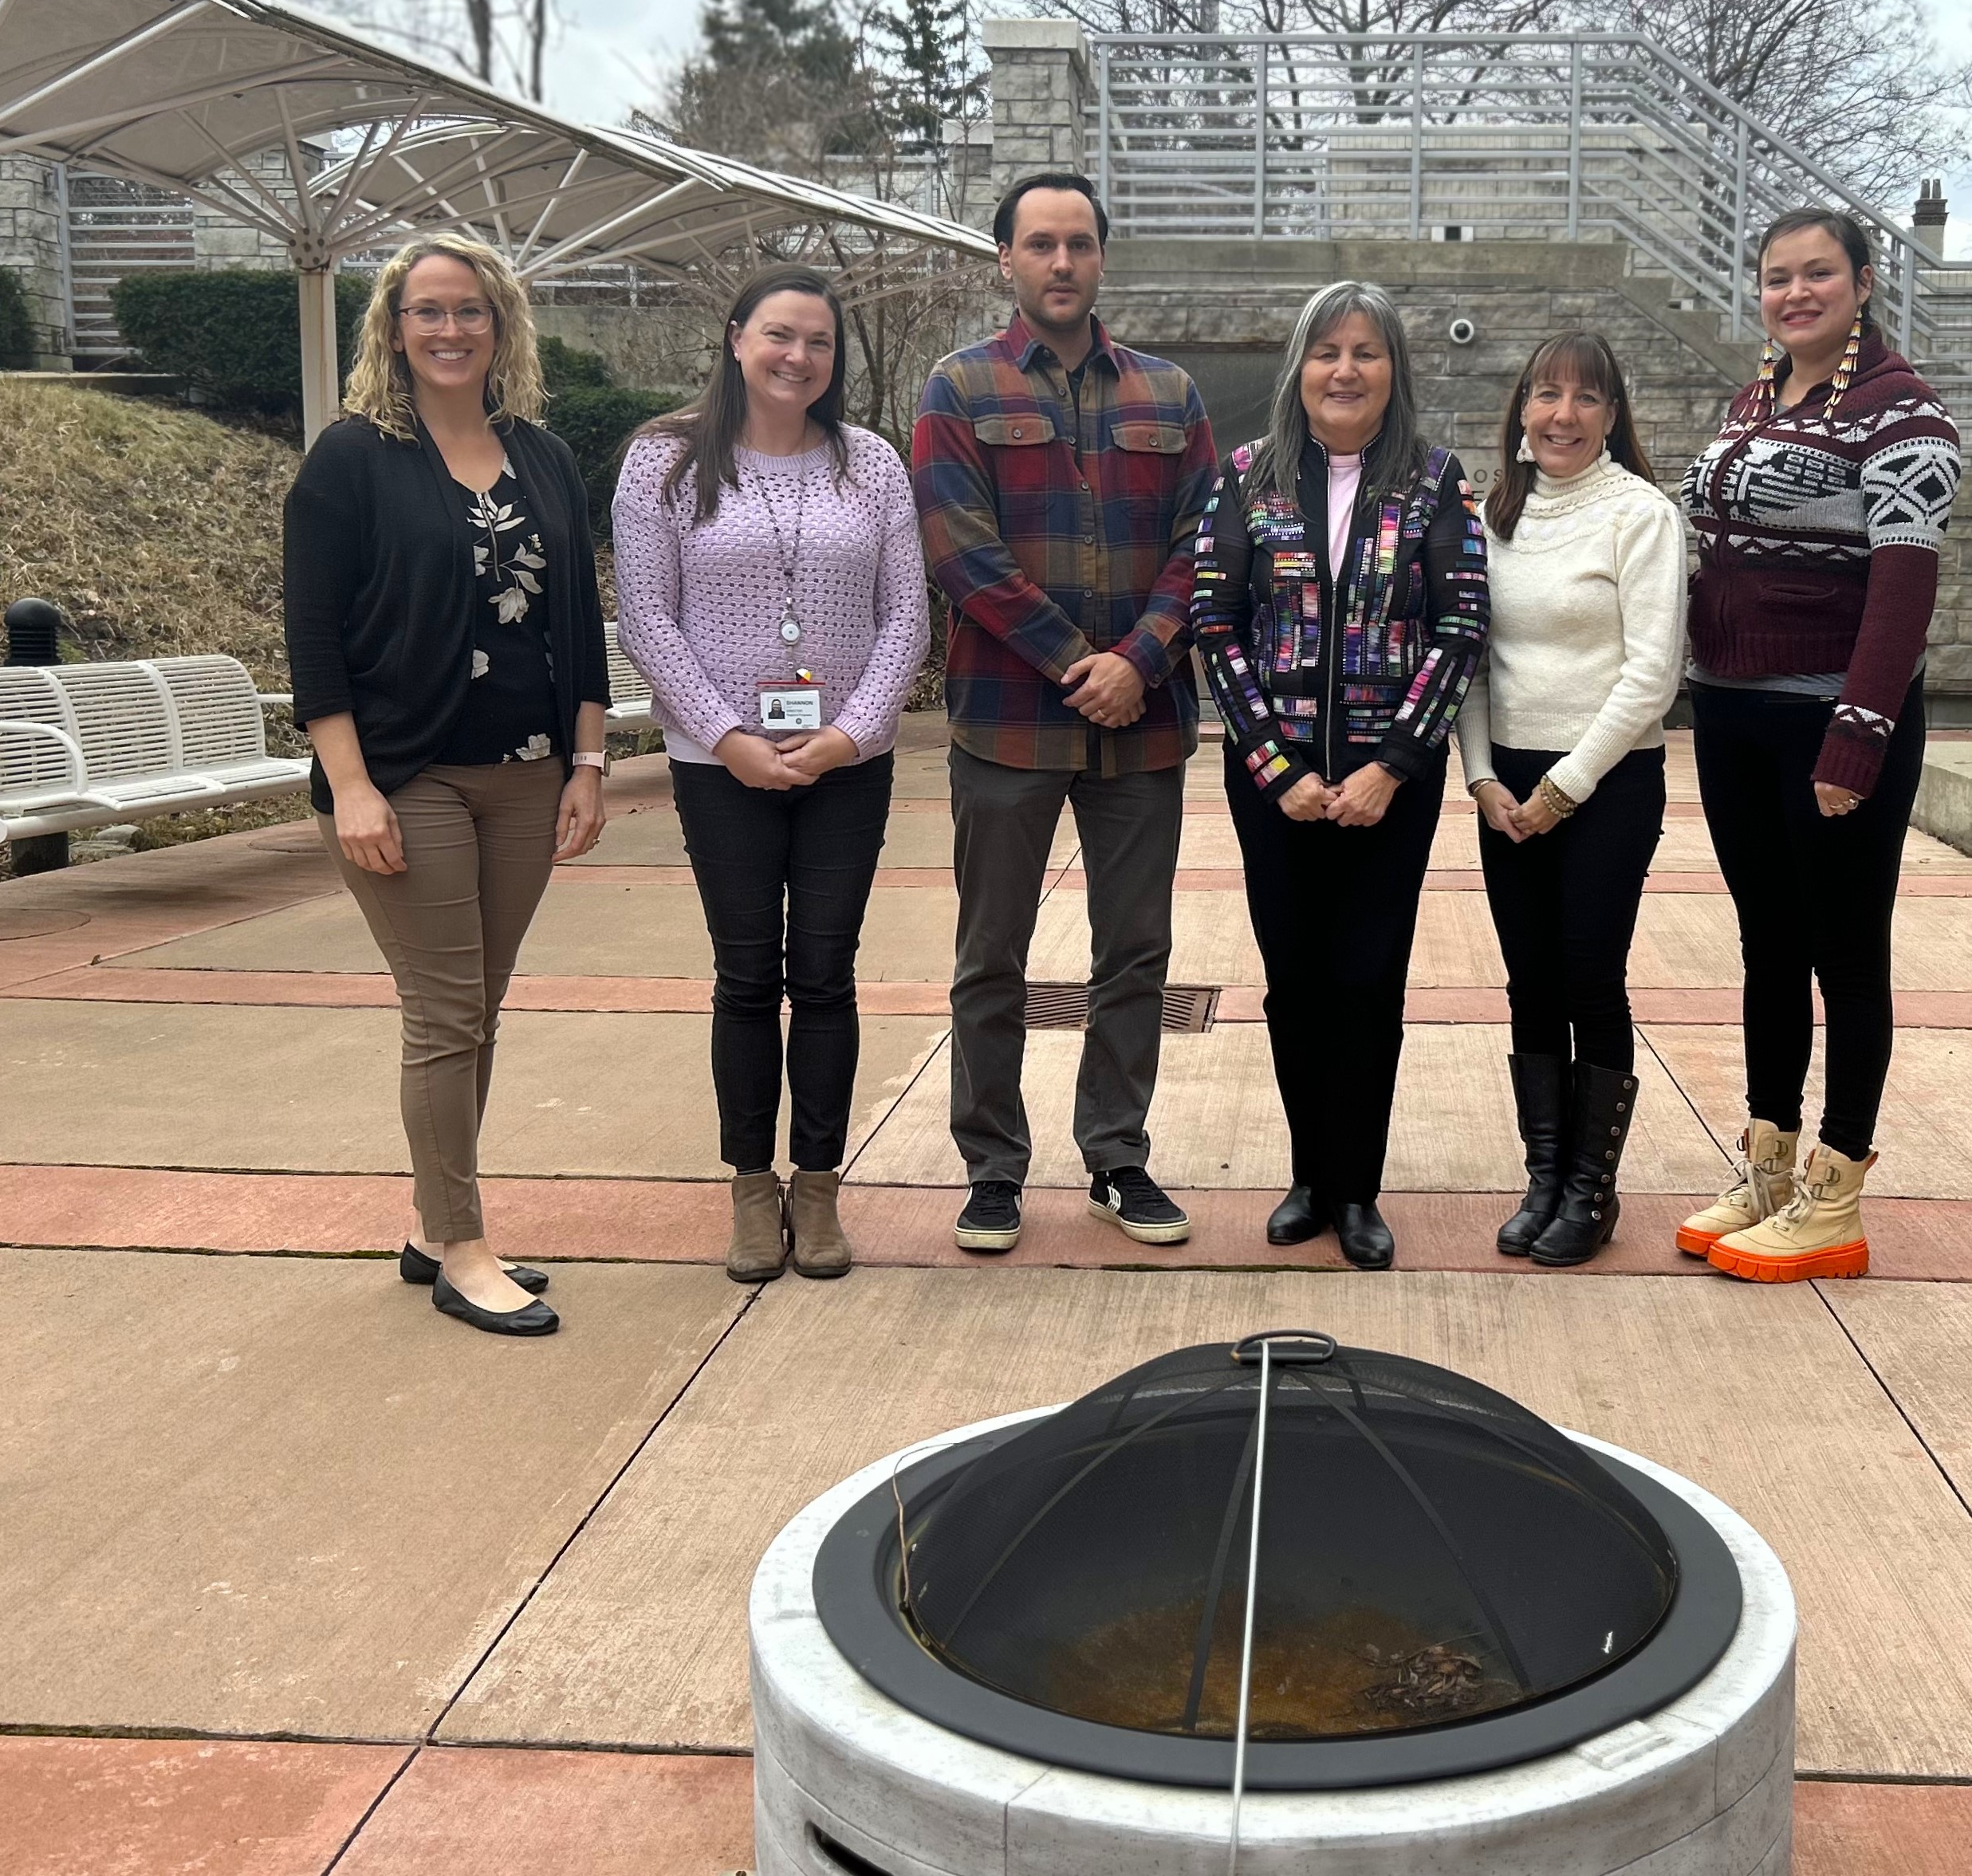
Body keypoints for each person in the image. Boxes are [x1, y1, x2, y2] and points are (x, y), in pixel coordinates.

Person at [282, 234, 611, 1337]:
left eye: (469, 310)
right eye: (427, 311)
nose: (450, 329)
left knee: (481, 1012)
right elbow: (312, 634)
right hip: (404, 773)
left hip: (526, 775)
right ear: (392, 326)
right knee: (443, 1012)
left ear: (500, 322)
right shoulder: (352, 458)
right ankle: (462, 1244)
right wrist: (352, 786)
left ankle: (434, 1223)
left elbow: (577, 617)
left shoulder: (545, 457)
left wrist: (590, 759)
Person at [911, 172, 1219, 1253]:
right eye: (1039, 244)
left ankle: (1117, 1159)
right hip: (1007, 723)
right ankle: (993, 1169)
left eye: (1079, 243)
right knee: (990, 953)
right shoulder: (957, 389)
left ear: (1101, 258)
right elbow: (959, 551)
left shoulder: (1171, 397)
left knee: (1134, 951)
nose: (1060, 263)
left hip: (1144, 726)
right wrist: (1076, 661)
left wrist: (1140, 660)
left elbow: (1204, 544)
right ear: (1005, 259)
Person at [613, 270, 926, 1287]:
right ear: (736, 337)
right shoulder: (664, 461)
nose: (798, 357)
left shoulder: (869, 463)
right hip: (721, 766)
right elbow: (646, 616)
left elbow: (905, 618)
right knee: (747, 977)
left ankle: (819, 1184)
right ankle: (752, 1186)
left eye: (820, 342)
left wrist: (852, 731)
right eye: (779, 335)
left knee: (825, 976)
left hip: (845, 764)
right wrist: (724, 733)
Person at [1675, 209, 1962, 1282]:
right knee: (1766, 945)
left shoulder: (1904, 410)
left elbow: (1902, 586)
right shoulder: (1753, 399)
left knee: (1846, 952)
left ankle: (1835, 1195)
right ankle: (1768, 1164)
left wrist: (1858, 735)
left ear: (1864, 281)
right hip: (1733, 710)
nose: (1796, 293)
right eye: (1777, 277)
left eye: (1818, 274)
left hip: (1830, 718)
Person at [1191, 281, 1489, 1271]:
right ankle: (1308, 1175)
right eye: (1327, 351)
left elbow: (1459, 632)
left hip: (1386, 791)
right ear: (1299, 368)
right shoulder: (1244, 477)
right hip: (1273, 787)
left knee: (1366, 981)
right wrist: (1273, 766)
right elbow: (1214, 624)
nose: (1345, 370)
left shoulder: (1436, 482)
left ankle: (1357, 1186)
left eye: (1366, 351)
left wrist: (1391, 767)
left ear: (1393, 370)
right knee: (1295, 983)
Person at [1458, 334, 1687, 1268]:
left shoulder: (1642, 515)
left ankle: (1590, 1190)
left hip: (1605, 784)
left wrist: (1561, 788)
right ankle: (1543, 1175)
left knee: (1587, 977)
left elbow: (1651, 674)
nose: (1562, 414)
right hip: (1503, 782)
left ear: (1611, 414)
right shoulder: (1490, 516)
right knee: (1527, 982)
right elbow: (1466, 657)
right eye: (1545, 394)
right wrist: (1478, 776)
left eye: (1585, 398)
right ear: (1520, 409)